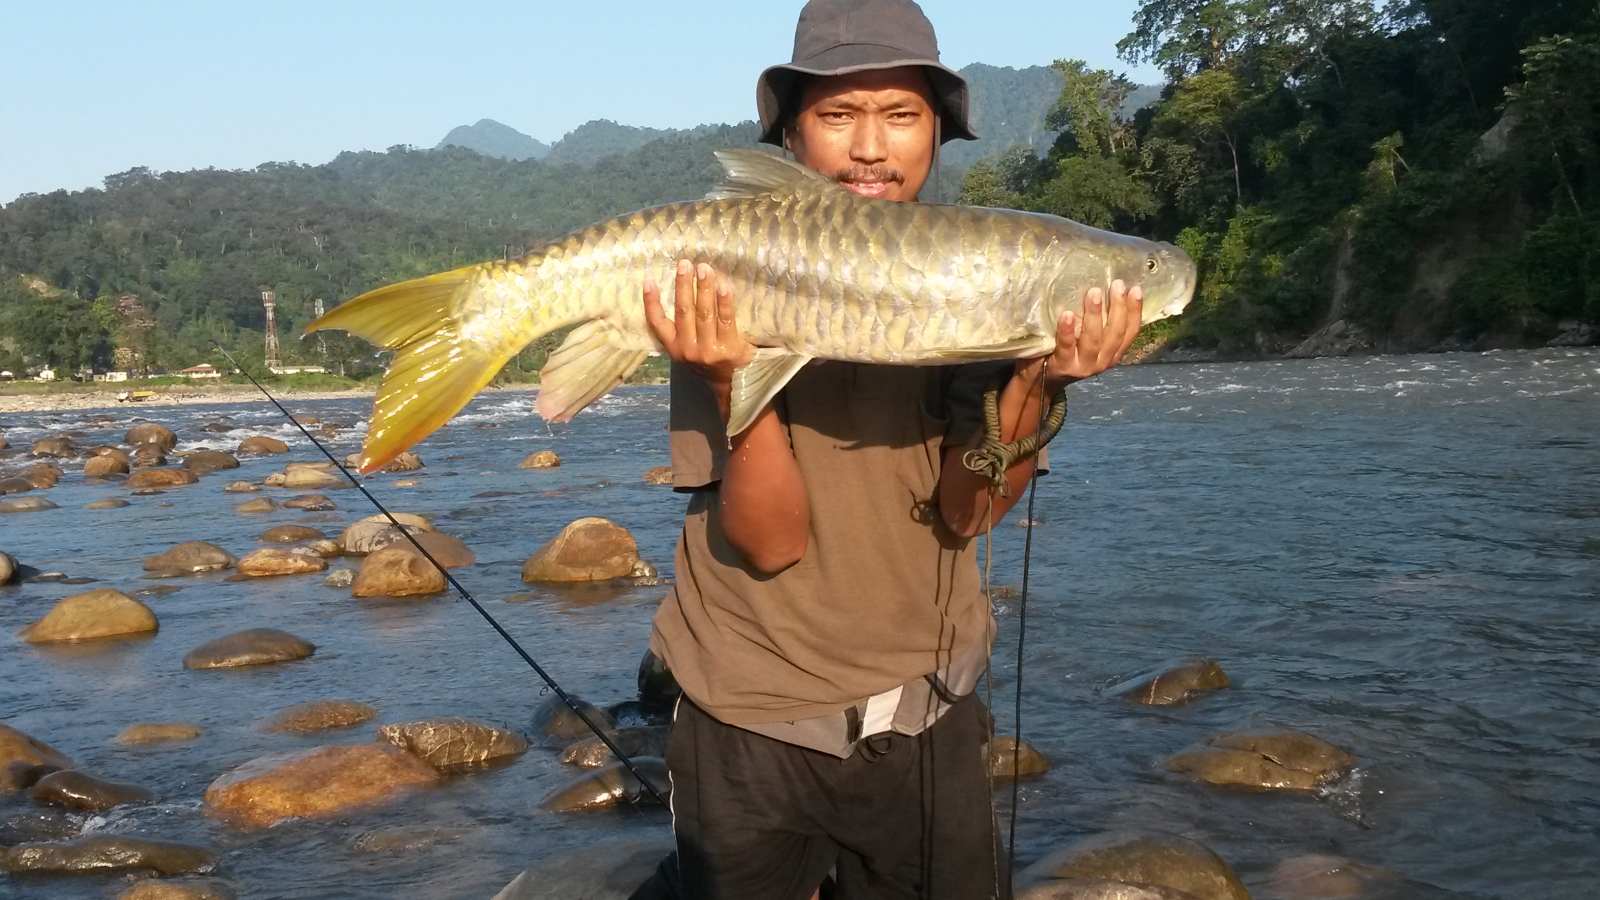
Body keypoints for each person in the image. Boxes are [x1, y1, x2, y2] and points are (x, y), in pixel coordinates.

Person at [631, 2, 1144, 897]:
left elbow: (969, 512)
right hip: (747, 716)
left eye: (901, 115)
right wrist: (729, 380)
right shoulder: (723, 283)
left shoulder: (987, 277)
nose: (870, 147)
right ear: (791, 138)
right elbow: (769, 542)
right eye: (838, 115)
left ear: (936, 132)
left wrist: (1039, 379)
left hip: (926, 711)